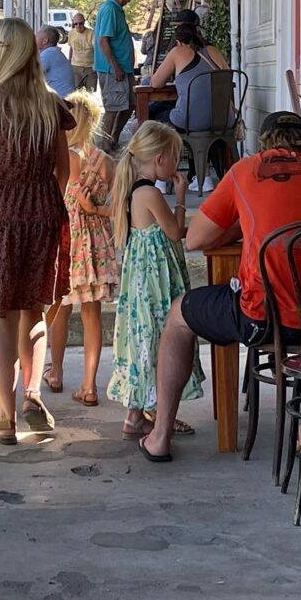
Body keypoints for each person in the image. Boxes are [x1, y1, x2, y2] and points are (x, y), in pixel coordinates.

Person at [140, 111, 301, 463]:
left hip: (266, 320)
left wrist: (245, 225)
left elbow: (194, 239)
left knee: (179, 315)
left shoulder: (247, 170)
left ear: (265, 144)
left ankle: (159, 437)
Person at [0, 17, 74, 444]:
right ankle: (32, 395)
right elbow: (64, 169)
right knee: (36, 311)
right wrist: (44, 199)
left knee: (1, 318)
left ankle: (5, 421)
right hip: (45, 214)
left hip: (0, 219)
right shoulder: (51, 104)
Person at [106, 122, 203, 442]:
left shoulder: (136, 189)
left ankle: (136, 416)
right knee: (160, 337)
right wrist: (180, 197)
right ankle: (159, 413)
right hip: (154, 282)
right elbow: (175, 232)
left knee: (146, 338)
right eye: (174, 158)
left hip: (143, 280)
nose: (176, 166)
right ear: (160, 159)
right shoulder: (149, 192)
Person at [45, 90, 119, 406]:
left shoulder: (64, 157)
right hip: (96, 246)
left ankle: (57, 371)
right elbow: (117, 208)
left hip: (66, 240)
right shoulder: (105, 162)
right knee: (92, 315)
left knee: (59, 308)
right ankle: (89, 385)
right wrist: (94, 210)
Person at [95, 0, 136, 152]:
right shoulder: (110, 9)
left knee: (130, 105)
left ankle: (114, 138)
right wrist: (116, 66)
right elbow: (103, 40)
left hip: (122, 69)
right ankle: (104, 148)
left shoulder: (117, 9)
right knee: (112, 108)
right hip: (112, 70)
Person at [37, 26, 76, 97]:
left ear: (45, 41)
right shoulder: (53, 52)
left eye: (36, 36)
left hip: (61, 102)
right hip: (63, 99)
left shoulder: (49, 53)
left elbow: (32, 74)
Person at [68, 13, 96, 92]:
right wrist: (69, 61)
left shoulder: (91, 33)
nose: (78, 25)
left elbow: (96, 49)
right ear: (73, 23)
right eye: (76, 23)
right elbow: (71, 48)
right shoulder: (71, 33)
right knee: (76, 93)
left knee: (91, 92)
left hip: (90, 68)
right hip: (75, 67)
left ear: (84, 22)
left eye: (80, 23)